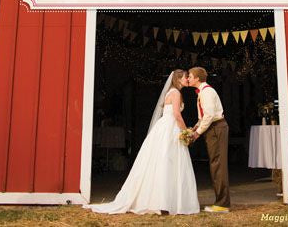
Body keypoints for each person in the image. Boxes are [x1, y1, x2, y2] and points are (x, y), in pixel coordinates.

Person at [83, 69, 200, 215]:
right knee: (169, 162)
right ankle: (167, 201)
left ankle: (162, 200)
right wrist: (186, 131)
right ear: (178, 79)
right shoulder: (176, 93)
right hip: (170, 128)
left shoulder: (170, 92)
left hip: (164, 128)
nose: (187, 79)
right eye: (185, 77)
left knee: (162, 162)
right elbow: (176, 114)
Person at [188, 66, 230, 213]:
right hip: (213, 127)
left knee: (218, 165)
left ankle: (222, 204)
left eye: (190, 76)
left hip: (216, 128)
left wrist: (197, 133)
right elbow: (204, 116)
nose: (188, 78)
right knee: (215, 164)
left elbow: (210, 115)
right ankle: (221, 202)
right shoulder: (202, 92)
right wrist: (195, 127)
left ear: (197, 78)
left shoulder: (207, 92)